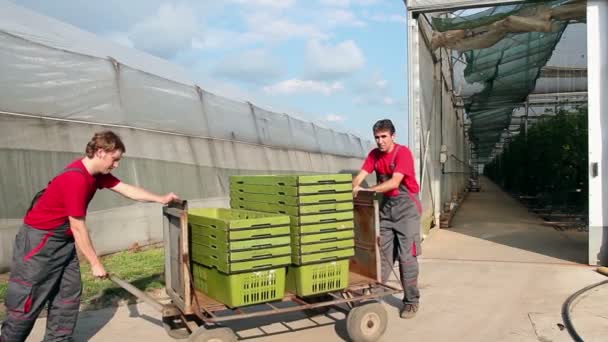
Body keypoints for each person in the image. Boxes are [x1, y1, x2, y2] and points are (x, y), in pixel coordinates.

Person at [1, 131, 179, 342]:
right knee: (28, 299)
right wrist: (95, 263)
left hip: (63, 241)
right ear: (101, 152)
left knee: (67, 294)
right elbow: (78, 227)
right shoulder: (75, 179)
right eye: (115, 159)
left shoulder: (96, 176)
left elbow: (127, 189)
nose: (116, 165)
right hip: (39, 243)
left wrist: (161, 198)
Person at [352, 119, 422, 319]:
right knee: (381, 255)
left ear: (393, 136)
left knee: (407, 258)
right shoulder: (374, 155)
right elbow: (360, 175)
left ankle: (411, 301)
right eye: (377, 137)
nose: (380, 141)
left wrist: (366, 190)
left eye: (384, 136)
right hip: (387, 209)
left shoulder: (403, 153)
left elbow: (394, 183)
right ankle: (375, 295)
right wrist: (351, 188)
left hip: (407, 209)